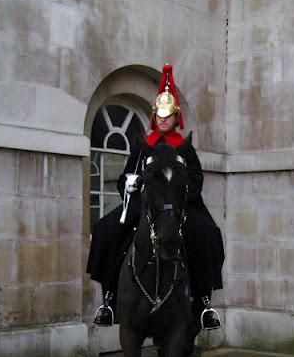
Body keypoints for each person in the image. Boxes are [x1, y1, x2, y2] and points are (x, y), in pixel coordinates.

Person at [87, 64, 224, 331]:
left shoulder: (184, 147)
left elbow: (196, 181)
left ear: (176, 118)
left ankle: (204, 302)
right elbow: (125, 176)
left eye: (168, 116)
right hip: (145, 204)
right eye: (159, 116)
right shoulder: (143, 145)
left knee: (208, 233)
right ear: (154, 117)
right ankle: (109, 299)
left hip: (181, 205)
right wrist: (130, 185)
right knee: (105, 229)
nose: (163, 121)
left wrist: (180, 195)